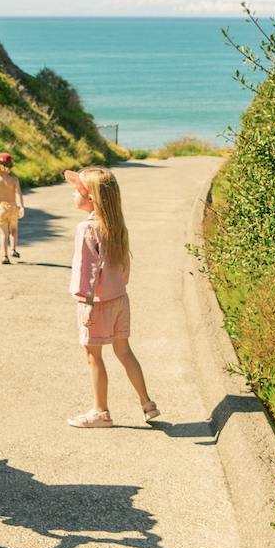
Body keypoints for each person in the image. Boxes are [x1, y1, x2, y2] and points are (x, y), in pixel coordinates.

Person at [64, 166, 159, 428]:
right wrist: (117, 284)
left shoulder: (87, 228)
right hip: (120, 297)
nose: (73, 194)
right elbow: (124, 266)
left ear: (91, 197)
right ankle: (147, 403)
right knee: (124, 350)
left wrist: (87, 302)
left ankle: (100, 412)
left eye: (77, 190)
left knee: (93, 355)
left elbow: (87, 268)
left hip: (97, 302)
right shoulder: (116, 224)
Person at [0, 152, 25, 263]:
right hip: (12, 207)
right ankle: (13, 249)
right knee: (13, 230)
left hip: (0, 208)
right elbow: (18, 193)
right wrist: (21, 206)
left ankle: (4, 255)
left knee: (3, 233)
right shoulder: (14, 180)